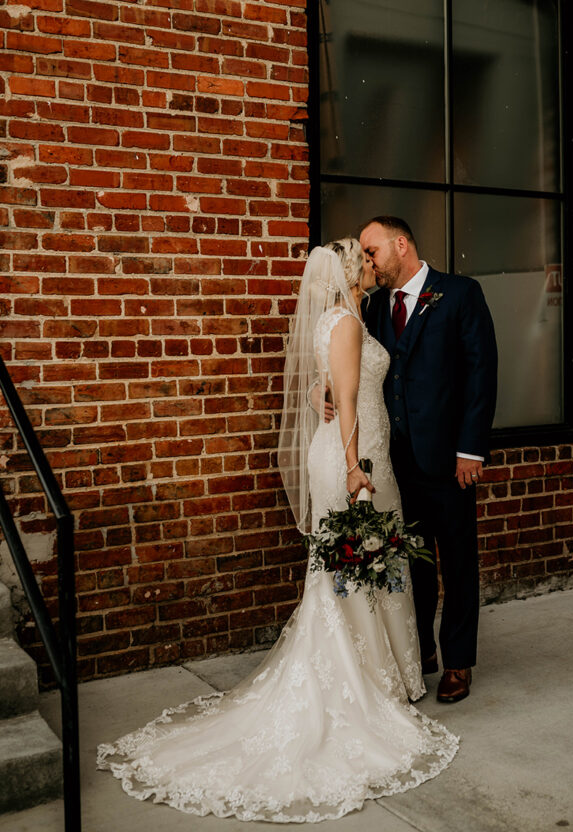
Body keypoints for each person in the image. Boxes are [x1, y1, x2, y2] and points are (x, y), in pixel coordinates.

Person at [97, 237, 458, 823]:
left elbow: (325, 389)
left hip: (359, 452)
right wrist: (353, 468)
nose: (371, 265)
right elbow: (342, 393)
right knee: (356, 565)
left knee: (362, 565)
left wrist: (333, 413)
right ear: (347, 273)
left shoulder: (342, 321)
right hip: (354, 459)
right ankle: (371, 683)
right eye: (363, 260)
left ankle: (385, 675)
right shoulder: (343, 322)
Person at [359, 216, 498, 705]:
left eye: (372, 251)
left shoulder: (459, 294)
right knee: (413, 561)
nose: (368, 263)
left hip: (450, 459)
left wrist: (470, 449)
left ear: (401, 245)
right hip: (398, 463)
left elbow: (481, 374)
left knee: (458, 561)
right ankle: (422, 652)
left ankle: (458, 661)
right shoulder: (375, 306)